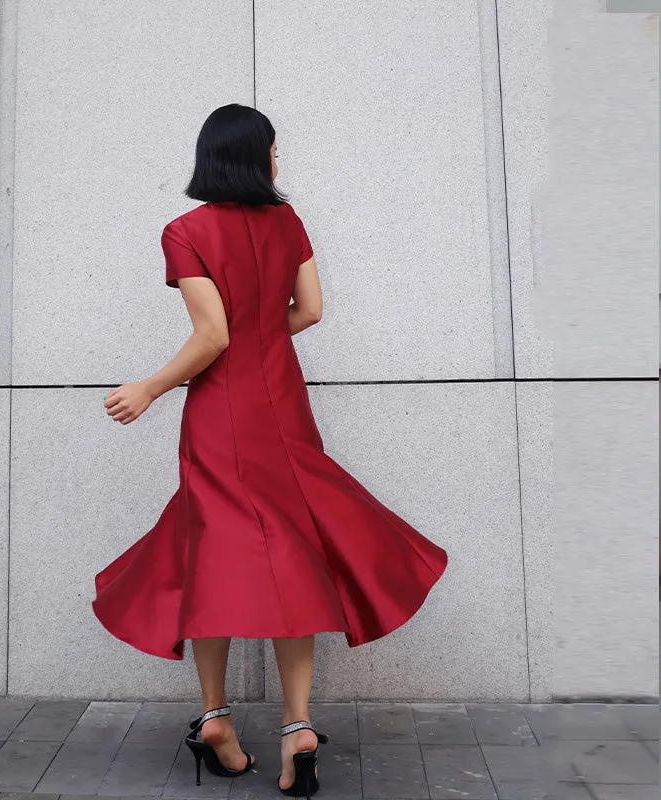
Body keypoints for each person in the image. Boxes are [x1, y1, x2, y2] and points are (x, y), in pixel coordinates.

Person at [93, 103, 449, 797]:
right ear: (251, 157)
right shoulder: (288, 224)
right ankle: (298, 728)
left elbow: (211, 337)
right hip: (281, 406)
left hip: (221, 411)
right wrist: (262, 332)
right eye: (274, 151)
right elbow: (309, 311)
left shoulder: (185, 232)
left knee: (213, 551)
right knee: (293, 550)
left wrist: (150, 388)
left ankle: (217, 717)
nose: (279, 162)